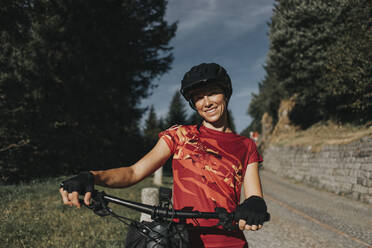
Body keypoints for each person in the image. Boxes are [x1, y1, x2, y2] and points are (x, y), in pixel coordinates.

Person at [59, 63, 269, 248]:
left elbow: (253, 196)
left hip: (229, 242)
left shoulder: (246, 145)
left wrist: (255, 205)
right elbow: (133, 172)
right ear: (193, 104)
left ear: (226, 93)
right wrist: (91, 176)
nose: (207, 102)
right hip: (180, 241)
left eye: (213, 92)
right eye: (198, 97)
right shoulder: (180, 135)